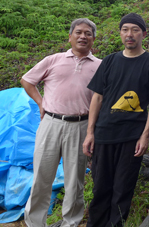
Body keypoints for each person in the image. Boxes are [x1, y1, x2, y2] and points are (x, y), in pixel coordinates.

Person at [83, 13, 149, 227]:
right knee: (100, 188)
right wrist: (90, 133)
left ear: (143, 34)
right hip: (104, 133)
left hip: (131, 136)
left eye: (135, 30)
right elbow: (97, 97)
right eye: (125, 29)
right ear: (120, 33)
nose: (130, 34)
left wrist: (145, 135)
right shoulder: (110, 60)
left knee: (122, 190)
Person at [22, 18, 101, 227]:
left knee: (75, 182)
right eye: (78, 32)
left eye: (88, 33)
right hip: (50, 123)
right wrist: (41, 102)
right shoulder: (53, 60)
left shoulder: (100, 66)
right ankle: (35, 223)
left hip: (81, 126)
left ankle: (70, 223)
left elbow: (101, 99)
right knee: (41, 177)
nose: (83, 36)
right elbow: (27, 80)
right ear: (70, 36)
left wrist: (93, 131)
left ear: (94, 39)